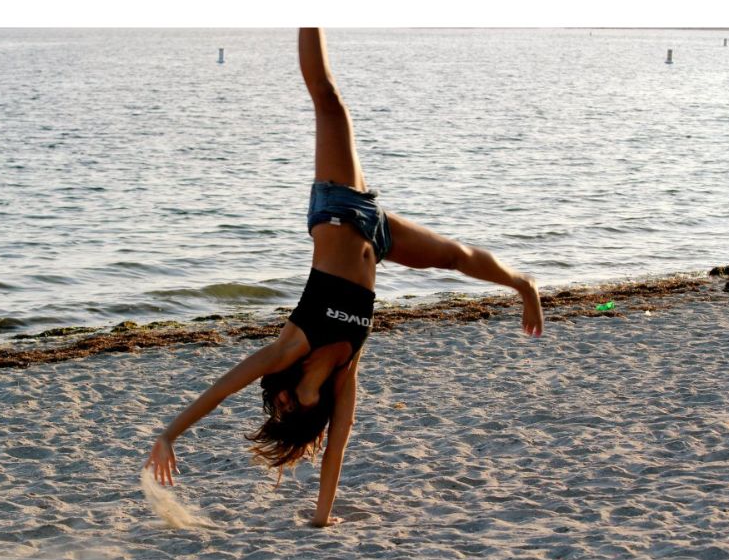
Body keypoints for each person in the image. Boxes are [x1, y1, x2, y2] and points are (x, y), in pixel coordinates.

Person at [145, 28, 543, 527]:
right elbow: (338, 446)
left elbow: (222, 387)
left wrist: (169, 435)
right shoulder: (343, 372)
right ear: (306, 414)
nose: (280, 405)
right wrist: (321, 518)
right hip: (377, 237)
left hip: (336, 208)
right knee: (456, 257)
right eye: (286, 415)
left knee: (328, 99)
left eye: (277, 407)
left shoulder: (290, 349)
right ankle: (523, 283)